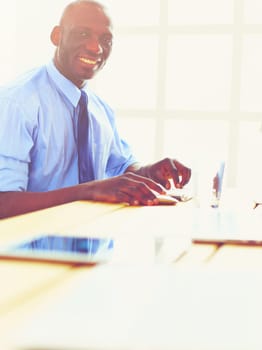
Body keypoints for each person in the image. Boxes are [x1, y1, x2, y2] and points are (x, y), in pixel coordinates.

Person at [0, 0, 191, 219]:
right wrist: (89, 191)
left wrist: (148, 173)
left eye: (105, 39)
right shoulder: (15, 103)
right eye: (83, 34)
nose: (95, 47)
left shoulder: (101, 109)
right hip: (26, 251)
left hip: (97, 248)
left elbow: (120, 168)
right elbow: (3, 202)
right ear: (56, 36)